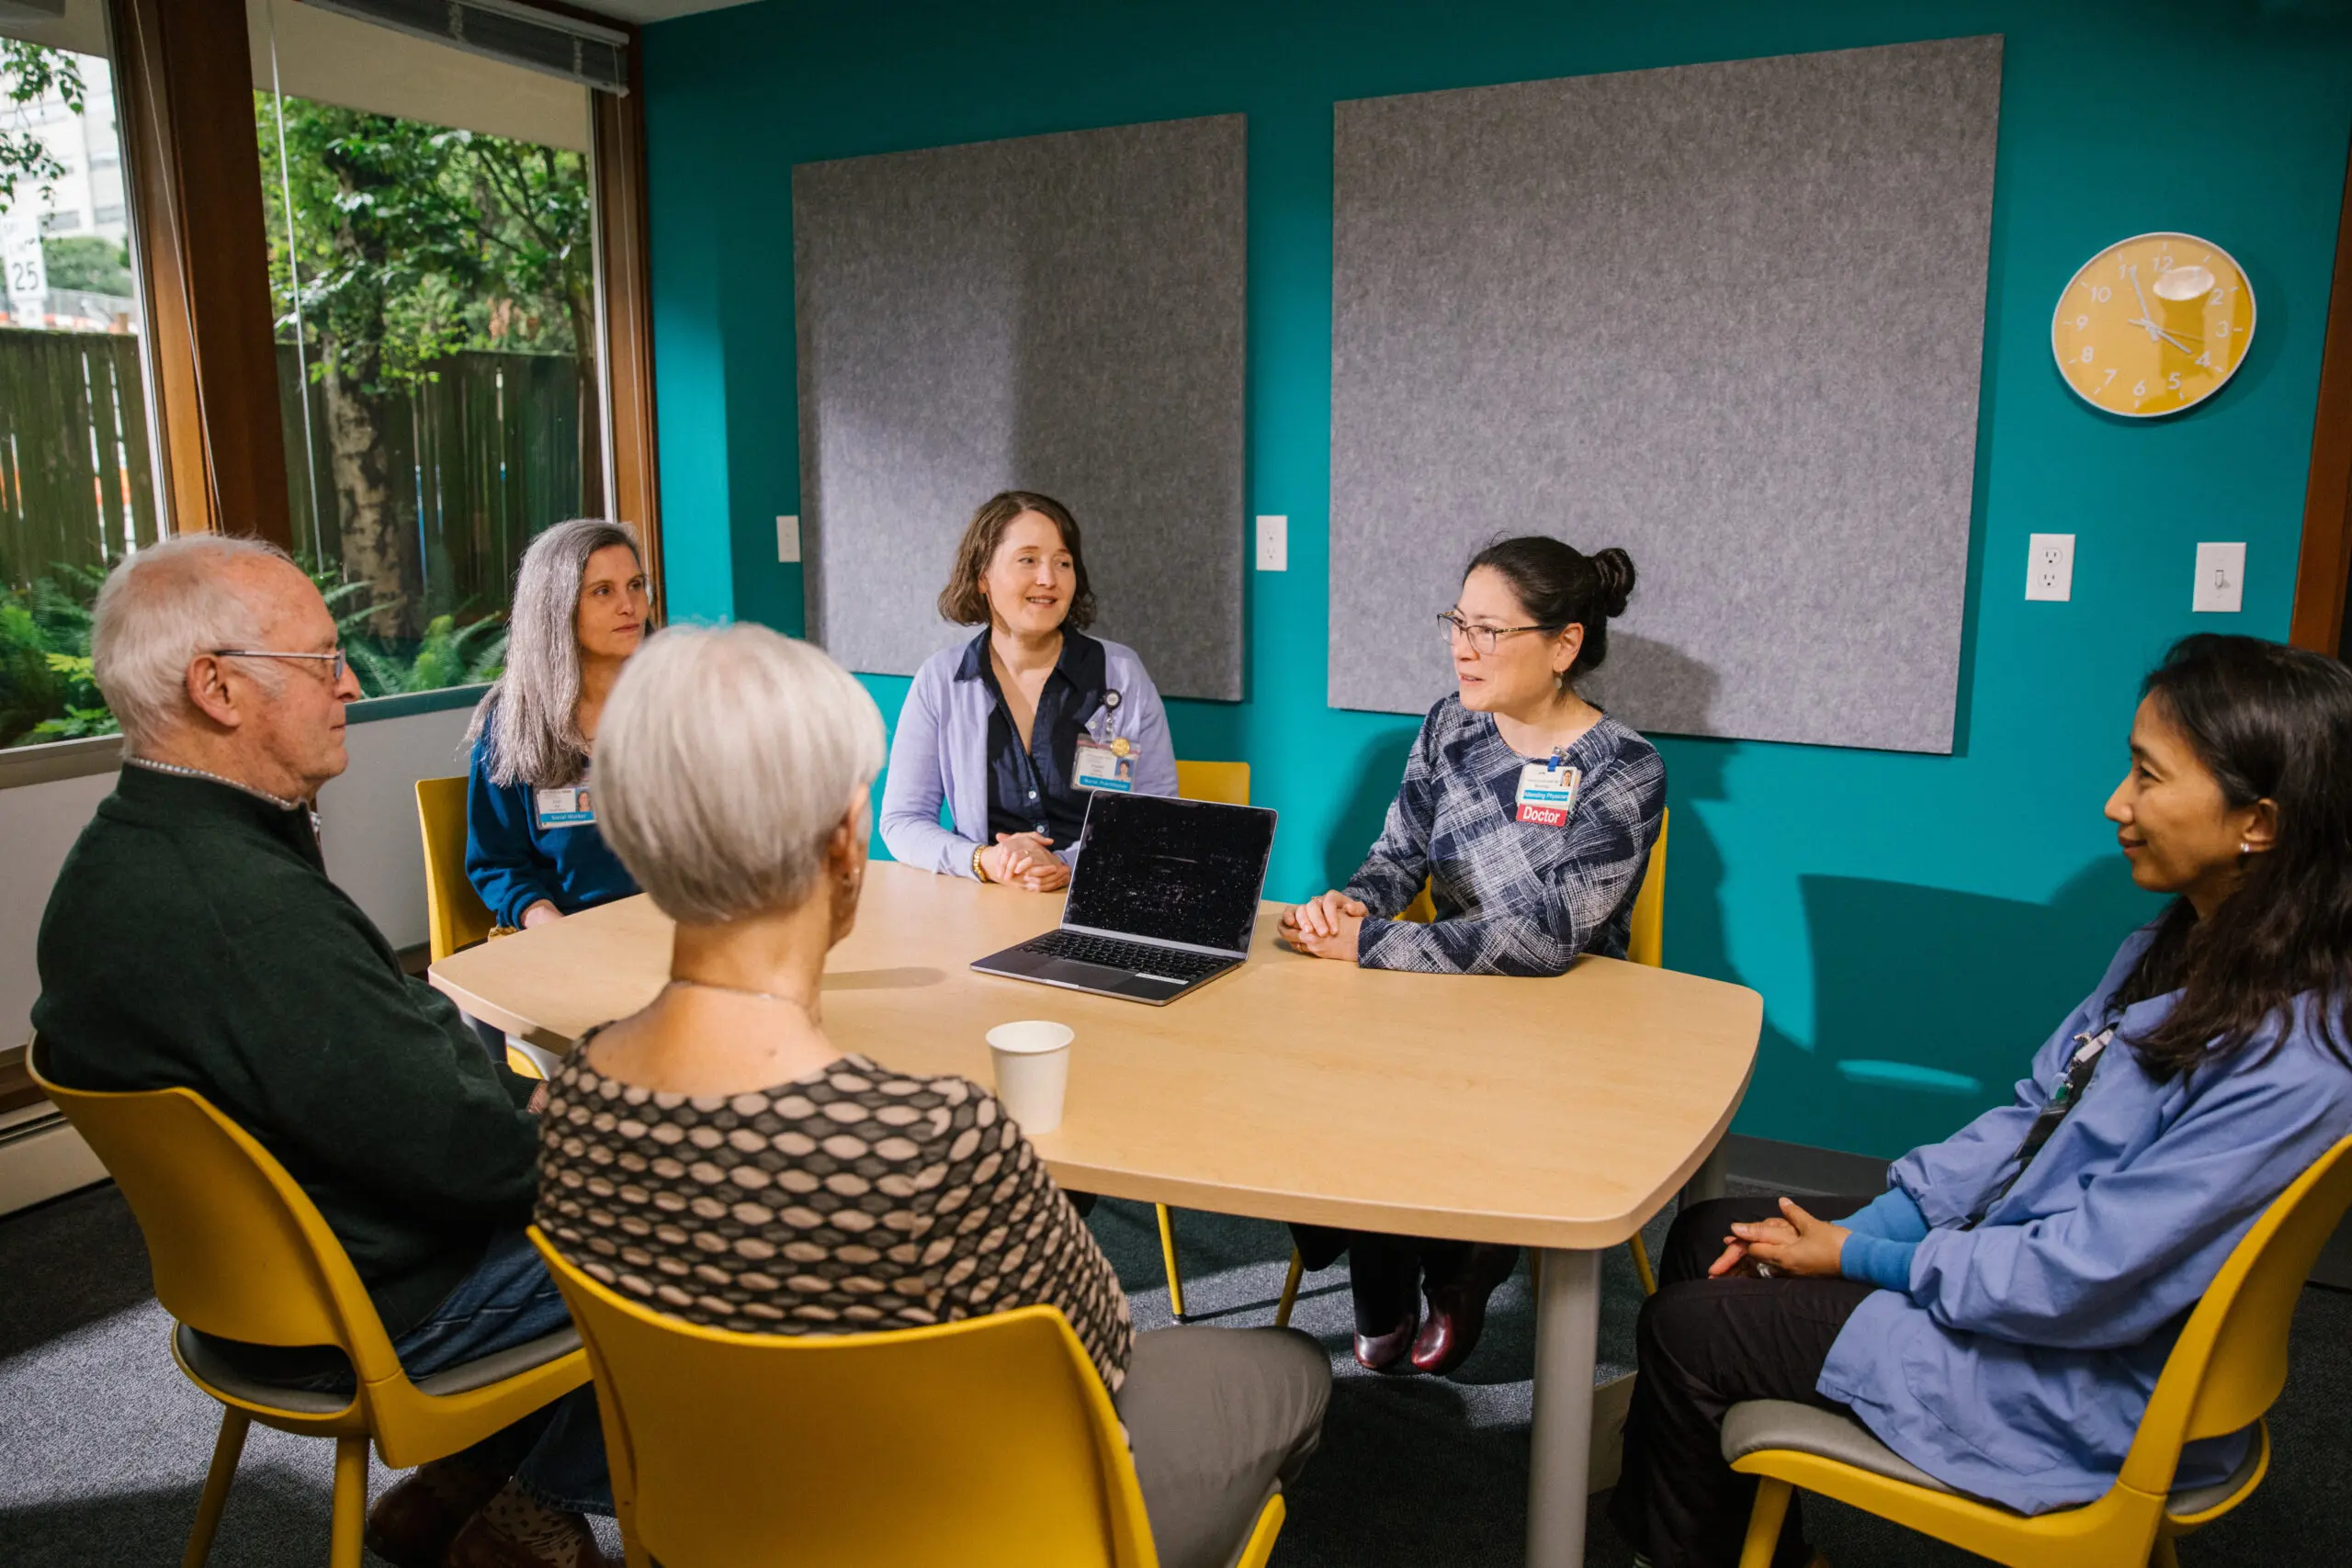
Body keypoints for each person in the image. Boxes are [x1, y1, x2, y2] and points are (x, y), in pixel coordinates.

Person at [537, 623, 1330, 1568]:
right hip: (954, 1531)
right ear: (843, 844)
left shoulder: (568, 1100)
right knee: (1294, 1370)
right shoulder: (928, 1138)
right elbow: (1100, 1352)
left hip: (714, 1515)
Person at [1611, 633, 2352, 1568]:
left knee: (1687, 1330)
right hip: (2026, 1276)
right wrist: (1887, 1220)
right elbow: (2031, 1120)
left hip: (2074, 1376)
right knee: (1705, 1234)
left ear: (2260, 824)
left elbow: (2083, 1280)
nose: (2115, 804)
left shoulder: (2292, 1061)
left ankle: (1676, 1523)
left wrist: (1862, 1256)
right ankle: (1706, 1528)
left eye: (2149, 778)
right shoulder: (2177, 945)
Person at [32, 535, 615, 1568]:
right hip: (376, 1307)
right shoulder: (242, 911)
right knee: (712, 1211)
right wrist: (566, 1119)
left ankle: (463, 1482)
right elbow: (476, 1161)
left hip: (255, 1291)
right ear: (216, 688)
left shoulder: (125, 855)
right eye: (321, 661)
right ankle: (533, 1512)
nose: (348, 683)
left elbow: (367, 1059)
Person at [1282, 536, 1667, 1375]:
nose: (1464, 646)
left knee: (1410, 1086)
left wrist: (1373, 943)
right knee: (1319, 1063)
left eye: (1491, 630)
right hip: (1441, 990)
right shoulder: (1449, 725)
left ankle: (1463, 1264)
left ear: (1564, 644)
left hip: (1559, 1017)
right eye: (1459, 622)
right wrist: (1354, 903)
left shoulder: (1624, 767)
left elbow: (1546, 937)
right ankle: (1386, 1269)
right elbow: (1394, 858)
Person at [880, 491, 1176, 891]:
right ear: (982, 576)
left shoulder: (1121, 674)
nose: (1048, 579)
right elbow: (903, 821)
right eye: (1028, 560)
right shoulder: (940, 681)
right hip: (984, 902)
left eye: (1062, 562)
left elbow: (1155, 812)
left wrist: (1066, 865)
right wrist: (987, 860)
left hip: (1095, 895)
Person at [465, 518, 649, 935]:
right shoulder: (513, 724)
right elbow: (498, 864)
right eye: (603, 591)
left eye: (636, 585)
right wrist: (555, 932)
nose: (630, 606)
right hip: (570, 940)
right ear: (556, 606)